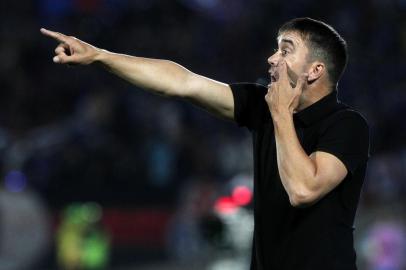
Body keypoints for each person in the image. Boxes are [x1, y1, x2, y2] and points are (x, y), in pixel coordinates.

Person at [41, 17, 370, 270]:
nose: (272, 59)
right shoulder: (263, 105)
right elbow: (182, 81)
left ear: (315, 70)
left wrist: (281, 115)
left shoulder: (347, 125)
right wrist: (101, 56)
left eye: (285, 50)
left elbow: (303, 190)